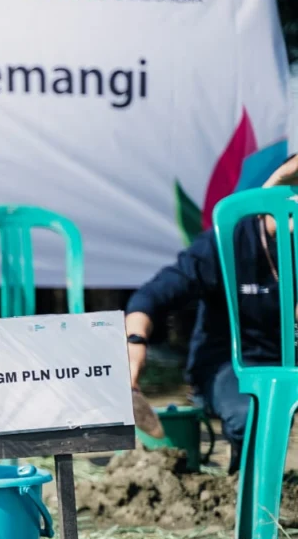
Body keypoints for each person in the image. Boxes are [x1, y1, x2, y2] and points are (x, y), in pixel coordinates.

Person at [125, 153, 298, 475]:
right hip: (229, 365)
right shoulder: (228, 241)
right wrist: (134, 344)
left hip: (290, 364)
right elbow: (151, 297)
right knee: (253, 419)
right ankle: (248, 495)